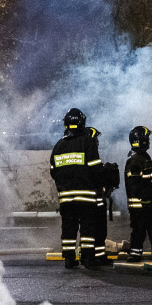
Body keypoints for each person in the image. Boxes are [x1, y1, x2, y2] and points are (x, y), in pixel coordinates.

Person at [50, 108, 103, 269]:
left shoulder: (58, 146)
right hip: (85, 195)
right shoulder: (87, 142)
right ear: (82, 123)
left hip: (66, 197)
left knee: (68, 227)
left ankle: (68, 258)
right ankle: (87, 259)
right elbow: (96, 168)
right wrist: (97, 185)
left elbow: (53, 171)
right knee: (87, 227)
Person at [124, 126, 152, 262]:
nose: (148, 141)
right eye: (146, 138)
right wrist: (147, 200)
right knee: (139, 230)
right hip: (141, 205)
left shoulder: (143, 157)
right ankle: (136, 254)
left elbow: (151, 182)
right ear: (140, 140)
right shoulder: (135, 160)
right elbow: (135, 186)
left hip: (149, 204)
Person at [86, 127, 118, 265]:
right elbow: (96, 174)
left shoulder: (92, 153)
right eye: (96, 139)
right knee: (92, 230)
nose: (98, 142)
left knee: (100, 230)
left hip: (97, 200)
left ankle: (99, 255)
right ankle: (90, 257)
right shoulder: (89, 154)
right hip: (91, 201)